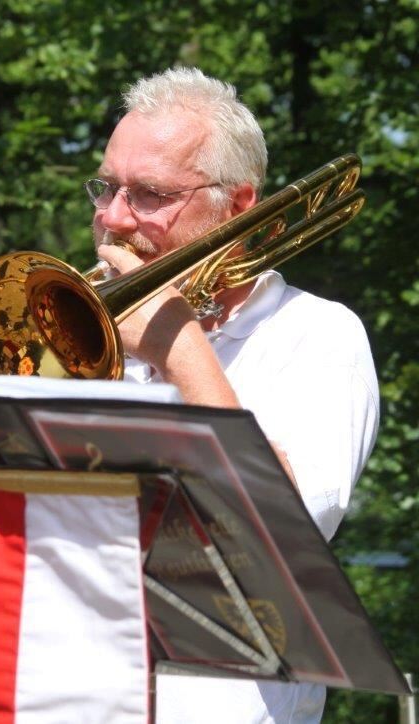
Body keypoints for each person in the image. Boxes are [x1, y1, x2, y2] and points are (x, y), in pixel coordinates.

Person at [87, 66, 379, 722]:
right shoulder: (72, 335)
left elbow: (291, 532)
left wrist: (183, 355)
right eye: (105, 188)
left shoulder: (319, 335)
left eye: (150, 194)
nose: (113, 218)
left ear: (238, 205)